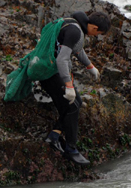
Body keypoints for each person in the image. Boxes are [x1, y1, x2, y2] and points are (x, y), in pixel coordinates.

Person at [41, 11, 111, 165]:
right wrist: (68, 85)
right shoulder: (75, 31)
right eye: (97, 32)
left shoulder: (74, 23)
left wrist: (90, 66)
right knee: (73, 105)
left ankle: (54, 136)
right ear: (93, 27)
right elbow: (62, 60)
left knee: (75, 103)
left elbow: (77, 49)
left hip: (48, 66)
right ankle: (71, 150)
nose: (96, 36)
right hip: (50, 72)